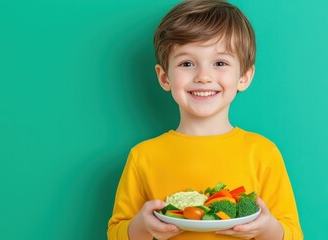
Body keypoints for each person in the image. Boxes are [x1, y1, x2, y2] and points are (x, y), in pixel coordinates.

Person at [107, 0, 303, 239]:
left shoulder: (263, 153)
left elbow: (292, 233)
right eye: (187, 63)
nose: (203, 76)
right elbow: (116, 231)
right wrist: (141, 226)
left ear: (244, 76)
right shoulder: (143, 156)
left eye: (220, 63)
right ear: (164, 77)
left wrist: (266, 229)